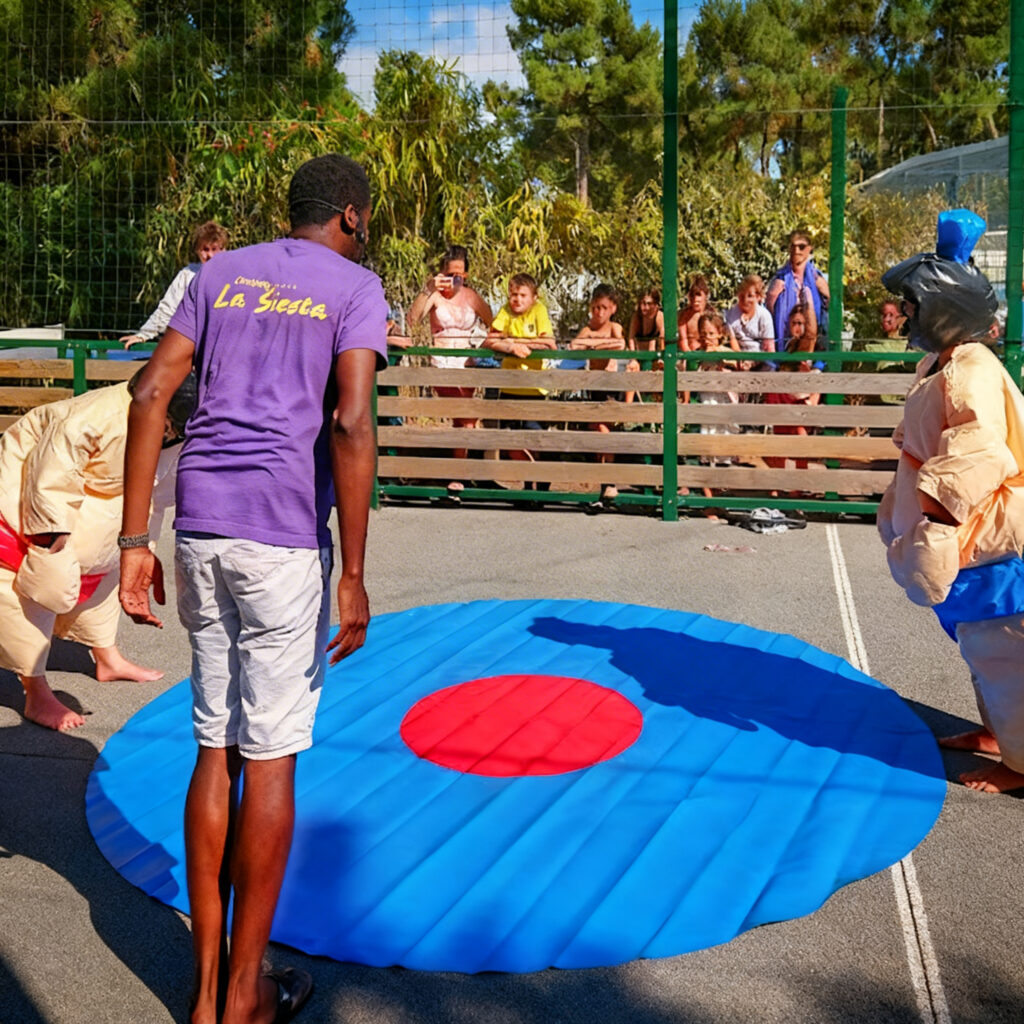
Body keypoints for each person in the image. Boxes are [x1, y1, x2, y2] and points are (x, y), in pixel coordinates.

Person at [118, 153, 387, 1024]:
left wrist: (133, 541)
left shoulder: (219, 274)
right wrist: (350, 572)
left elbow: (153, 388)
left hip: (198, 527)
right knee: (269, 757)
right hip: (280, 540)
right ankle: (244, 1000)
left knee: (214, 747)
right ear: (350, 215)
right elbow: (349, 416)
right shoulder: (353, 286)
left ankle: (202, 994)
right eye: (366, 216)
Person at [877, 208, 1024, 795]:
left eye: (913, 304)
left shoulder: (970, 371)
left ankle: (1019, 766)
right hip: (971, 544)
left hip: (991, 543)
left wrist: (935, 523)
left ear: (945, 311)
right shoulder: (943, 364)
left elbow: (977, 452)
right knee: (979, 650)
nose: (906, 312)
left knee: (1005, 657)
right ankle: (996, 734)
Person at [0, 369, 194, 731]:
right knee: (30, 591)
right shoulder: (89, 420)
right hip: (28, 501)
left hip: (104, 508)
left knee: (107, 574)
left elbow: (158, 493)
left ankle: (107, 657)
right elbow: (49, 482)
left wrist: (143, 546)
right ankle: (35, 690)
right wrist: (50, 549)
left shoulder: (176, 431)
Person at [408, 245, 493, 499]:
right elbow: (413, 320)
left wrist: (483, 348)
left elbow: (495, 325)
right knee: (464, 417)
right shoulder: (435, 295)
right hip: (442, 365)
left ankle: (462, 474)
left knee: (465, 419)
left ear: (465, 275)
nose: (454, 280)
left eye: (459, 274)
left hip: (466, 365)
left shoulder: (472, 296)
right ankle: (457, 475)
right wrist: (428, 289)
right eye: (449, 274)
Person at [482, 273, 557, 491]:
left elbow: (549, 343)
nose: (517, 299)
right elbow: (490, 340)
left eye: (523, 295)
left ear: (534, 297)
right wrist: (510, 347)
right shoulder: (505, 310)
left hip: (534, 389)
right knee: (511, 441)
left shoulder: (539, 311)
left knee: (536, 438)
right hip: (509, 387)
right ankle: (526, 484)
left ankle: (540, 486)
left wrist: (520, 342)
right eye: (513, 294)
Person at [121, 221, 229, 348]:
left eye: (215, 249)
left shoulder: (238, 276)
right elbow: (168, 308)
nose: (210, 255)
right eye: (205, 249)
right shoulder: (187, 275)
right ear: (197, 251)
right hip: (194, 345)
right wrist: (144, 334)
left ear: (224, 249)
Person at [571, 284, 626, 510]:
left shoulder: (614, 327)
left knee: (605, 431)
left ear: (612, 308)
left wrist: (594, 345)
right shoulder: (588, 328)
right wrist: (596, 344)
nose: (599, 312)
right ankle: (602, 486)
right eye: (595, 307)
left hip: (611, 386)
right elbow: (575, 346)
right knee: (597, 430)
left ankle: (609, 481)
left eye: (604, 307)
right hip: (594, 387)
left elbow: (620, 344)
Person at [693, 312, 740, 503]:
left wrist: (723, 363)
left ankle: (722, 487)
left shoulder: (724, 352)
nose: (707, 338)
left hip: (723, 402)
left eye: (711, 334)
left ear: (720, 334)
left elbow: (737, 363)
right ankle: (708, 489)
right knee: (707, 438)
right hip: (706, 401)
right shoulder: (698, 354)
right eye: (703, 334)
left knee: (723, 439)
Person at [765, 229, 830, 344]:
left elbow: (830, 308)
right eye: (792, 246)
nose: (796, 250)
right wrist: (772, 296)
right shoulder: (780, 278)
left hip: (813, 342)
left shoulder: (818, 279)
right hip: (785, 340)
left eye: (801, 246)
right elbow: (769, 313)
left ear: (810, 248)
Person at [725, 274, 775, 370]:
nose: (745, 300)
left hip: (761, 360)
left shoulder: (764, 315)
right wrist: (740, 359)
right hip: (739, 358)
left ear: (758, 297)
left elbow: (769, 348)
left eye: (750, 296)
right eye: (742, 295)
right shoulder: (731, 315)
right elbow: (733, 341)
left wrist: (753, 362)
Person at [677, 275, 711, 351]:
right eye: (692, 295)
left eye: (698, 295)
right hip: (687, 354)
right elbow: (683, 340)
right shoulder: (684, 315)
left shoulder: (711, 314)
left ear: (705, 295)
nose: (695, 299)